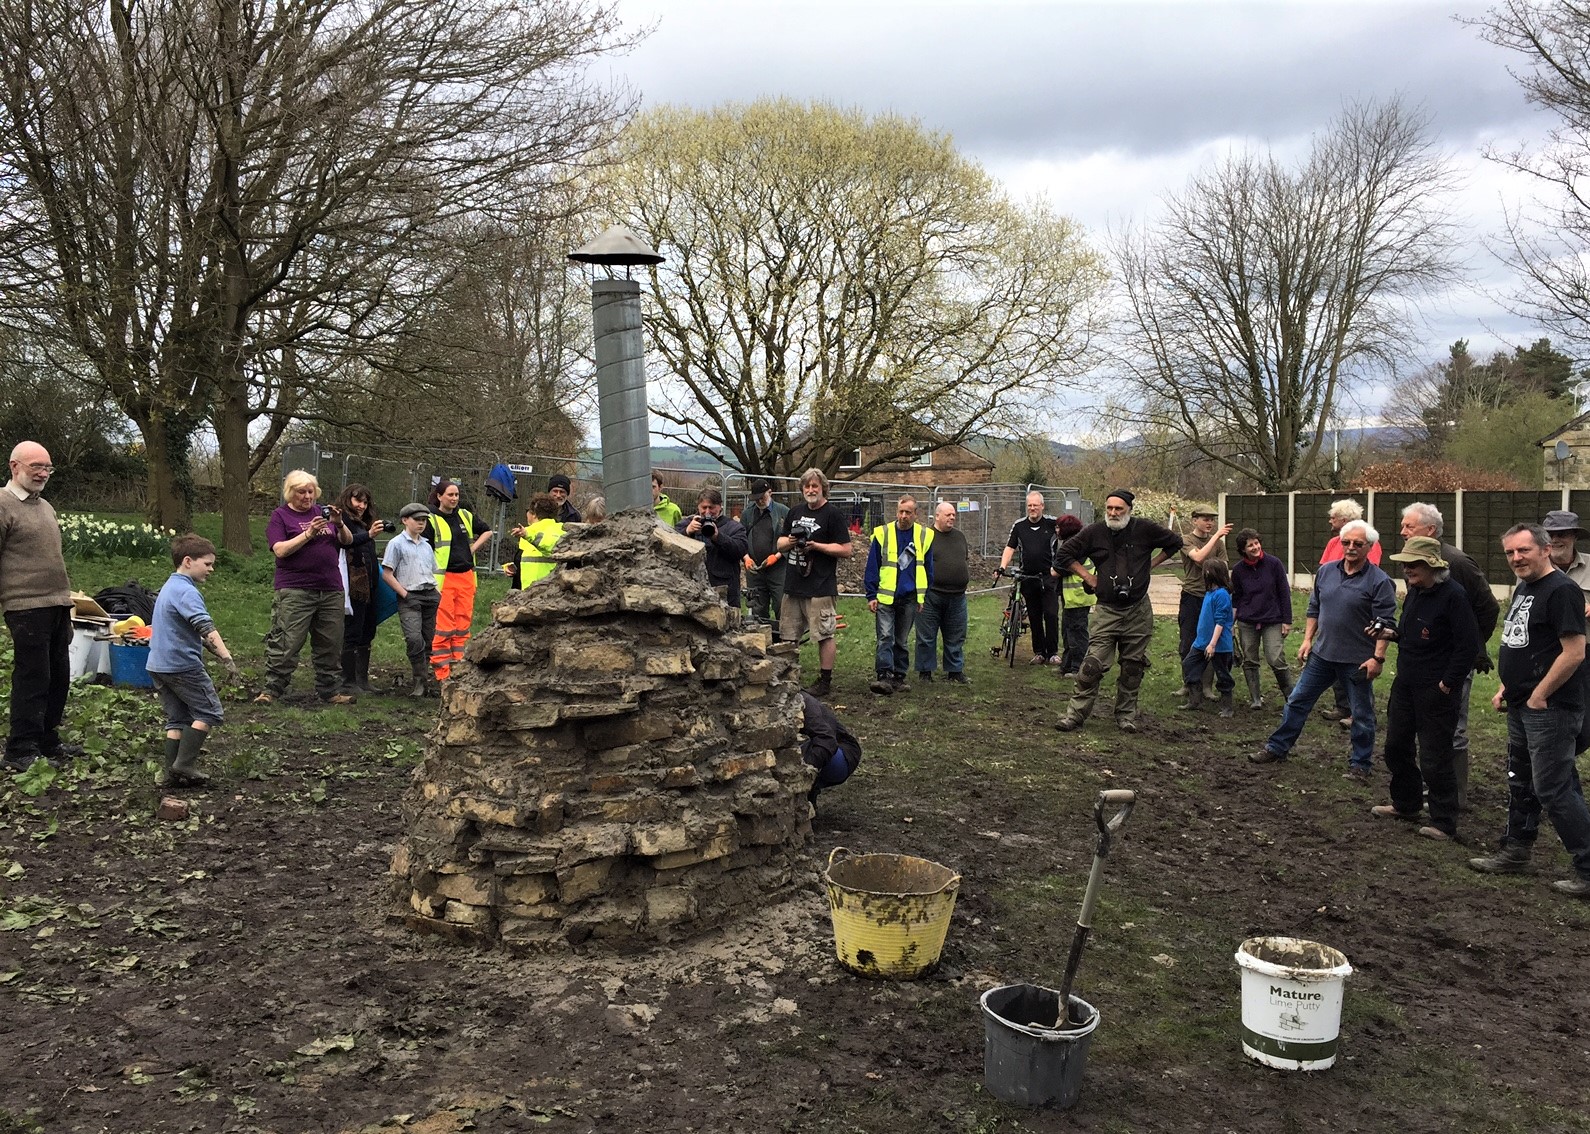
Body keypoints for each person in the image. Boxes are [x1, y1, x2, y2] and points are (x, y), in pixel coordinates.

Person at [1468, 524, 1590, 897]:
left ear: (1545, 549)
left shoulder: (1563, 591)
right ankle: (1516, 851)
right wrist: (1509, 685)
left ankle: (1588, 868)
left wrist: (1539, 695)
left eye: (1523, 551)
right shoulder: (1526, 588)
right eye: (1510, 553)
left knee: (1553, 788)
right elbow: (1526, 641)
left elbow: (1574, 652)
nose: (1516, 558)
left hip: (1551, 708)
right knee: (1522, 780)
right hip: (1523, 703)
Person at [1251, 520, 1395, 780]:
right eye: (1346, 542)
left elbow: (1386, 624)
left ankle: (1361, 765)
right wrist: (1307, 640)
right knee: (1296, 702)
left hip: (1357, 661)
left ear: (1369, 547)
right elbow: (1314, 608)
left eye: (1357, 544)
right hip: (1322, 655)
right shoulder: (1326, 571)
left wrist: (1378, 658)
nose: (1350, 548)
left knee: (1361, 714)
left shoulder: (1380, 582)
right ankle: (1277, 747)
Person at [1369, 537, 1480, 842]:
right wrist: (1389, 633)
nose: (1407, 569)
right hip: (1405, 683)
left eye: (1414, 564)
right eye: (1405, 564)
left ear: (1432, 564)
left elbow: (1469, 645)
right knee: (1396, 746)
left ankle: (1444, 821)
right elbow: (1410, 635)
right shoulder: (1416, 592)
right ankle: (1406, 804)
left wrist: (1447, 683)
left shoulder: (1454, 596)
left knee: (1435, 755)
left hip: (1436, 690)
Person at [1053, 489, 1183, 733]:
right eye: (1110, 508)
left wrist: (1150, 565)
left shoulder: (1144, 528)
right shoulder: (1094, 532)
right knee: (1091, 665)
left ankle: (1126, 715)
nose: (1113, 513)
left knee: (1133, 667)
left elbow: (1175, 543)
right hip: (1106, 610)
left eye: (1118, 509)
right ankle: (1074, 715)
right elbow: (1063, 555)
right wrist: (1088, 577)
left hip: (1138, 610)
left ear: (1129, 510)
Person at [1400, 501, 1499, 807]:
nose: (1402, 531)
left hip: (1454, 664)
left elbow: (1489, 607)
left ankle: (1454, 798)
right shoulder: (1412, 560)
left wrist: (1471, 648)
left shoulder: (1457, 562)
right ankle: (1431, 792)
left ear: (1431, 530)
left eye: (1409, 526)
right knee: (1425, 727)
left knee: (1452, 728)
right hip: (1423, 664)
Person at [0, 441, 81, 771]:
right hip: (25, 605)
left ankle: (47, 738)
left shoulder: (44, 506)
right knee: (34, 676)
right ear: (14, 467)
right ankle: (20, 748)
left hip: (57, 603)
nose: (43, 473)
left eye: (48, 467)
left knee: (59, 674)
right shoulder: (3, 504)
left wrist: (68, 601)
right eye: (36, 467)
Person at [145, 534, 238, 788]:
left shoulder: (169, 586)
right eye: (207, 564)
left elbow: (186, 628)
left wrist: (210, 649)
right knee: (209, 711)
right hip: (181, 666)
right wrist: (227, 658)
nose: (211, 569)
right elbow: (205, 626)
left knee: (178, 718)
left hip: (157, 664)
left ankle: (171, 774)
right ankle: (185, 764)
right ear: (188, 561)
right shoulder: (187, 591)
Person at [257, 470, 356, 705]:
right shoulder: (280, 516)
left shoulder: (323, 513)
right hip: (295, 589)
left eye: (311, 491)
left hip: (330, 588)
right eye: (302, 491)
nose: (308, 496)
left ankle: (330, 690)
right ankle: (272, 690)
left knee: (330, 643)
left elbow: (348, 541)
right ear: (291, 493)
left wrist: (339, 524)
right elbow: (280, 550)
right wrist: (308, 533)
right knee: (287, 641)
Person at [778, 468, 853, 699]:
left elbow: (846, 549)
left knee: (824, 634)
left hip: (820, 585)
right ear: (802, 490)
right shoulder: (794, 512)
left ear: (823, 489)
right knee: (788, 635)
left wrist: (816, 546)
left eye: (815, 487)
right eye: (807, 487)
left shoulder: (833, 514)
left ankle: (825, 681)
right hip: (793, 584)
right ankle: (787, 677)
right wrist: (791, 542)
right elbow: (780, 544)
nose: (811, 490)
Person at [1319, 499, 1382, 726]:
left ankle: (1361, 713)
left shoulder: (1369, 541)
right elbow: (1324, 570)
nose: (1330, 521)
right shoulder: (1332, 543)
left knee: (1357, 665)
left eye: (1333, 517)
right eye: (1346, 543)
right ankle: (1342, 706)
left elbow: (1368, 571)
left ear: (1344, 519)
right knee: (1333, 656)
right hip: (1333, 607)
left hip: (1357, 612)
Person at [864, 495, 933, 694]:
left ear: (915, 514)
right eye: (901, 512)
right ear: (896, 512)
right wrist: (871, 595)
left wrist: (922, 597)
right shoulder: (882, 534)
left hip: (910, 596)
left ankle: (899, 677)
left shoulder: (924, 536)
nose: (904, 516)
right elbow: (872, 566)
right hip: (885, 596)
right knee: (885, 636)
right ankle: (884, 675)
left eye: (908, 513)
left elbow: (927, 569)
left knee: (901, 639)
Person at [426, 478, 492, 682]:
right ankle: (442, 673)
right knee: (443, 627)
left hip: (466, 577)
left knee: (462, 626)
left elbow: (487, 530)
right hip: (443, 580)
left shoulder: (464, 515)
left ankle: (459, 667)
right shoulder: (431, 519)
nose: (455, 498)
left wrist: (472, 548)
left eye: (457, 495)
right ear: (439, 497)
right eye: (450, 495)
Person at [333, 483, 389, 694]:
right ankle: (347, 680)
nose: (362, 506)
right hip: (352, 584)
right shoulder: (342, 522)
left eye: (365, 502)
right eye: (358, 501)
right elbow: (346, 543)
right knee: (353, 630)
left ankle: (362, 680)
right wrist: (369, 535)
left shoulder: (365, 523)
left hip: (370, 584)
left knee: (368, 629)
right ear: (348, 499)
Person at [382, 502, 442, 698]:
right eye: (417, 520)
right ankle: (418, 679)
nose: (421, 523)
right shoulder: (396, 544)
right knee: (414, 639)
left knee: (428, 639)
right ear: (405, 520)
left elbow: (431, 570)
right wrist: (405, 595)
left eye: (424, 520)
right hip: (409, 596)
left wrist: (437, 592)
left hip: (430, 595)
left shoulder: (426, 545)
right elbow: (387, 574)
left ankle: (423, 682)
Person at [1230, 527, 1293, 710]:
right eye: (1250, 545)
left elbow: (1284, 593)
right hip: (1247, 620)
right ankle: (1255, 699)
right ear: (1243, 550)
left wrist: (1287, 621)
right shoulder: (1239, 570)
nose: (1255, 547)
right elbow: (1236, 597)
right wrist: (1230, 623)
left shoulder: (1274, 564)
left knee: (1275, 658)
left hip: (1272, 619)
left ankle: (1292, 697)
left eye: (1256, 543)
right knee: (1250, 658)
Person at [1177, 504, 1232, 697]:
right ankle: (1189, 684)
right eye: (1205, 519)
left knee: (1211, 640)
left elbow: (1223, 568)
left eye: (1212, 519)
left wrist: (1216, 540)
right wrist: (1217, 536)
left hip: (1213, 597)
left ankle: (1207, 686)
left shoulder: (1218, 544)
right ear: (1194, 520)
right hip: (1192, 595)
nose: (1210, 523)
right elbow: (1199, 558)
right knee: (1188, 641)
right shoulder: (1186, 540)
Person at [998, 492, 1059, 664]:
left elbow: (1070, 533)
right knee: (1034, 615)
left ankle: (1053, 652)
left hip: (1049, 576)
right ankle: (1039, 652)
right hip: (1028, 577)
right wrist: (1002, 566)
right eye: (1029, 506)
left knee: (1051, 613)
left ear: (1042, 506)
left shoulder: (1052, 523)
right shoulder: (1019, 526)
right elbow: (1010, 548)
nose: (1032, 508)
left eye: (1035, 505)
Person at [916, 501, 971, 685]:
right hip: (932, 595)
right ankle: (925, 672)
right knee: (926, 636)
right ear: (937, 516)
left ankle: (955, 671)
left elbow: (964, 559)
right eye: (948, 514)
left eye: (953, 514)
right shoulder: (926, 536)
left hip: (957, 596)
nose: (952, 517)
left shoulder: (960, 536)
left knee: (956, 635)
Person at [1178, 558, 1235, 717]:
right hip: (1201, 643)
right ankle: (1195, 700)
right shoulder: (1209, 593)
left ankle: (1227, 707)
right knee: (1189, 664)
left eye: (1206, 570)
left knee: (1223, 675)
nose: (1204, 573)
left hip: (1219, 645)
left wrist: (1212, 644)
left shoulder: (1222, 594)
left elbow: (1220, 621)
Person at [678, 487, 748, 605]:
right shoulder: (688, 524)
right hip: (692, 587)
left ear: (720, 506)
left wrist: (718, 537)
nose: (707, 512)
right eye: (704, 507)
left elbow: (740, 550)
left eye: (711, 507)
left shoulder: (734, 527)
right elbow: (671, 543)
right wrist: (687, 531)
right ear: (698, 507)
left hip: (724, 589)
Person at [741, 479, 789, 640]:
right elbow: (740, 538)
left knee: (781, 604)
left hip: (778, 568)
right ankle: (761, 641)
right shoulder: (748, 514)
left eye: (762, 497)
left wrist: (776, 556)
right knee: (757, 607)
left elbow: (791, 539)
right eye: (756, 498)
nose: (760, 501)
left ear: (770, 493)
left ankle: (784, 641)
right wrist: (746, 558)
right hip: (755, 569)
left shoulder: (783, 512)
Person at [800, 691, 862, 814]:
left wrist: (804, 775)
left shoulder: (804, 702)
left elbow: (827, 740)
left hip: (841, 754)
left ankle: (808, 792)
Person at [1053, 513, 1093, 677]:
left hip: (1078, 595)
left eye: (1058, 526)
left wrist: (1055, 568)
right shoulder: (1076, 542)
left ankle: (1079, 668)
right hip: (1071, 596)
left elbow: (1057, 570)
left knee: (1077, 633)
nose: (1056, 530)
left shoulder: (1074, 545)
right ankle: (1067, 665)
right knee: (1068, 632)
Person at [503, 494, 564, 588]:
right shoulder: (527, 531)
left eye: (527, 511)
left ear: (534, 514)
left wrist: (528, 535)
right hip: (543, 590)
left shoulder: (530, 533)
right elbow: (525, 559)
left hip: (541, 590)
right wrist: (513, 567)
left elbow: (551, 547)